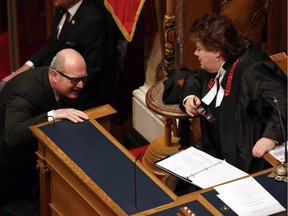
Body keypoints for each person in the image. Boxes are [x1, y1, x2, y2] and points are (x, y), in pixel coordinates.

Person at [180, 13, 287, 174]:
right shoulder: (222, 60)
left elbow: (285, 100)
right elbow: (195, 77)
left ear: (217, 51)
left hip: (246, 158)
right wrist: (190, 98)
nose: (196, 54)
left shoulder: (254, 69)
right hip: (215, 150)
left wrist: (271, 137)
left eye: (199, 49)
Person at [0, 48, 89, 211]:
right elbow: (12, 136)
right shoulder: (25, 92)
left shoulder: (61, 83)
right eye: (75, 80)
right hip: (8, 166)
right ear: (54, 75)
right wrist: (52, 115)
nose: (81, 85)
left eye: (84, 79)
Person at [1, 0, 118, 110]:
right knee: (6, 86)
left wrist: (53, 87)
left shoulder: (93, 20)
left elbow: (92, 69)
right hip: (51, 75)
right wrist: (26, 67)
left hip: (73, 92)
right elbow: (52, 44)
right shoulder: (61, 9)